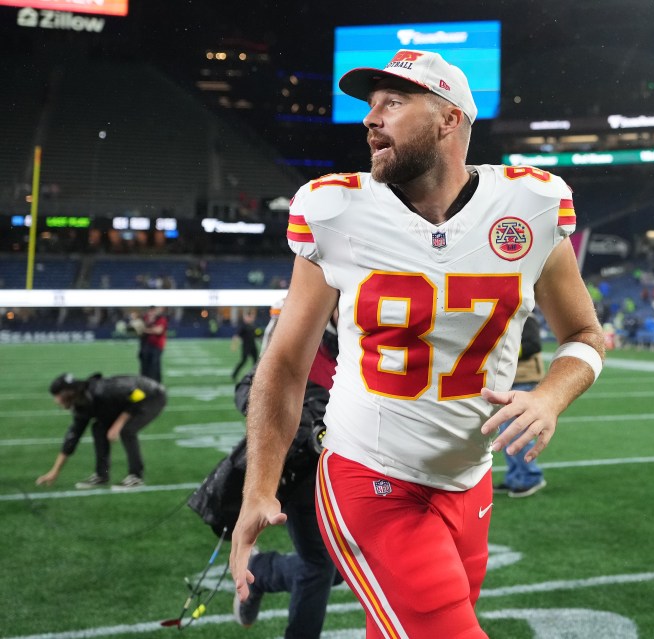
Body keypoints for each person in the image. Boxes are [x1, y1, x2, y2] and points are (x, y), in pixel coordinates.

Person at [229, 49, 605, 639]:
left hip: (470, 481)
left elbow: (585, 335)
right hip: (369, 477)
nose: (371, 119)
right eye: (371, 107)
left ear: (449, 119)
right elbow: (283, 363)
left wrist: (550, 397)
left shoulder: (529, 206)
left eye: (393, 104)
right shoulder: (335, 210)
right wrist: (259, 489)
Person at [231, 319, 341, 639]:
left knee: (343, 564)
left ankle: (262, 570)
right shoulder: (300, 320)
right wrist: (304, 421)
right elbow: (251, 388)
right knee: (320, 565)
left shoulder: (366, 317)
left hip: (346, 469)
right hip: (301, 468)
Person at [36, 372, 167, 490]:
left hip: (151, 395)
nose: (56, 401)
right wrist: (54, 472)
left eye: (57, 395)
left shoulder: (104, 390)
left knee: (127, 431)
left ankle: (136, 477)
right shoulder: (81, 404)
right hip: (125, 402)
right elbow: (72, 438)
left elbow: (138, 396)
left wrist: (118, 424)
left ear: (68, 392)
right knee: (98, 428)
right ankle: (101, 475)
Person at [494, 314, 547, 498]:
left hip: (525, 379)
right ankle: (515, 477)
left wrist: (502, 352)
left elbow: (534, 345)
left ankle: (530, 477)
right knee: (506, 433)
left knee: (516, 432)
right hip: (509, 382)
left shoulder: (527, 318)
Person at [137, 306, 168, 382]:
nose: (151, 313)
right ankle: (144, 382)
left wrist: (145, 330)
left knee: (154, 366)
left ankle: (156, 383)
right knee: (144, 366)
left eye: (153, 311)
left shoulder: (161, 319)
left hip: (156, 346)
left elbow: (158, 331)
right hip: (145, 346)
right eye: (150, 311)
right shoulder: (144, 319)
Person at [231, 309, 261, 381]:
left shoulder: (254, 326)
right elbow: (236, 336)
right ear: (247, 317)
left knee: (256, 362)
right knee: (243, 361)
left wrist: (262, 339)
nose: (252, 319)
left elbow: (258, 334)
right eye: (251, 317)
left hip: (253, 346)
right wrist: (234, 345)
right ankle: (234, 374)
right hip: (246, 347)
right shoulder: (243, 326)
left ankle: (255, 376)